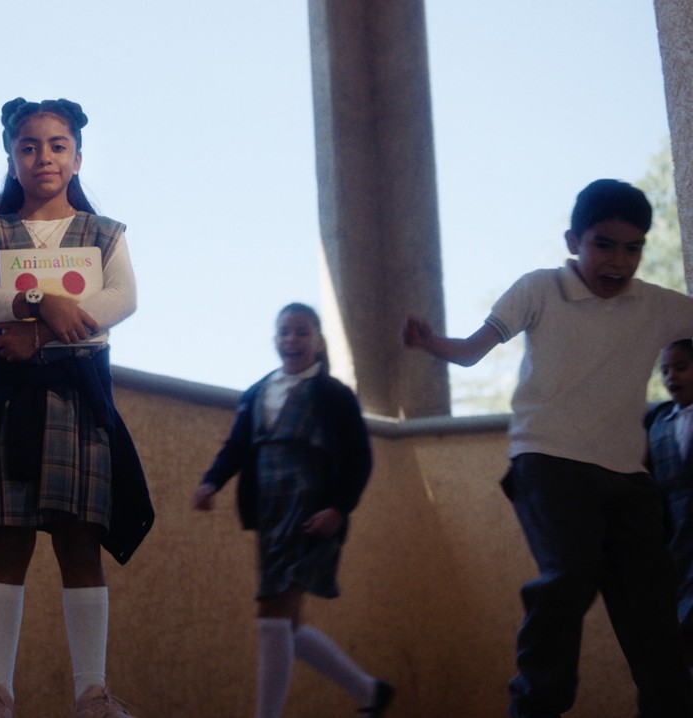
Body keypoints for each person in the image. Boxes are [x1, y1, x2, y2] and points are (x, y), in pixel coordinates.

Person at [402, 178, 693, 718]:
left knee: (654, 612)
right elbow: (470, 352)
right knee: (572, 572)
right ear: (573, 240)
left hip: (628, 480)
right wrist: (429, 343)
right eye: (603, 245)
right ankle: (535, 706)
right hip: (548, 462)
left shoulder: (656, 305)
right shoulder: (539, 289)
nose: (618, 262)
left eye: (633, 249)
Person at [0, 97, 153, 718]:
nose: (44, 157)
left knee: (79, 540)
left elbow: (122, 302)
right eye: (30, 146)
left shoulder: (106, 234)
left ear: (78, 157)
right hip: (12, 402)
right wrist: (40, 299)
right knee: (7, 539)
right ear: (11, 158)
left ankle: (92, 689)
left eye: (58, 146)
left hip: (81, 399)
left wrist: (36, 331)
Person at [192, 303, 393, 718]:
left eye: (301, 332)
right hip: (269, 513)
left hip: (310, 513)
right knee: (288, 625)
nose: (291, 340)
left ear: (318, 341)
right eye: (284, 332)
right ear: (274, 340)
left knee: (271, 616)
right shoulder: (257, 392)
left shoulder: (334, 396)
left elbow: (359, 458)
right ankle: (370, 692)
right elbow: (236, 448)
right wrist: (212, 481)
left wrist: (338, 508)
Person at [646, 339, 693, 678]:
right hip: (675, 544)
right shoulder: (657, 422)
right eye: (664, 370)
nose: (670, 376)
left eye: (681, 367)